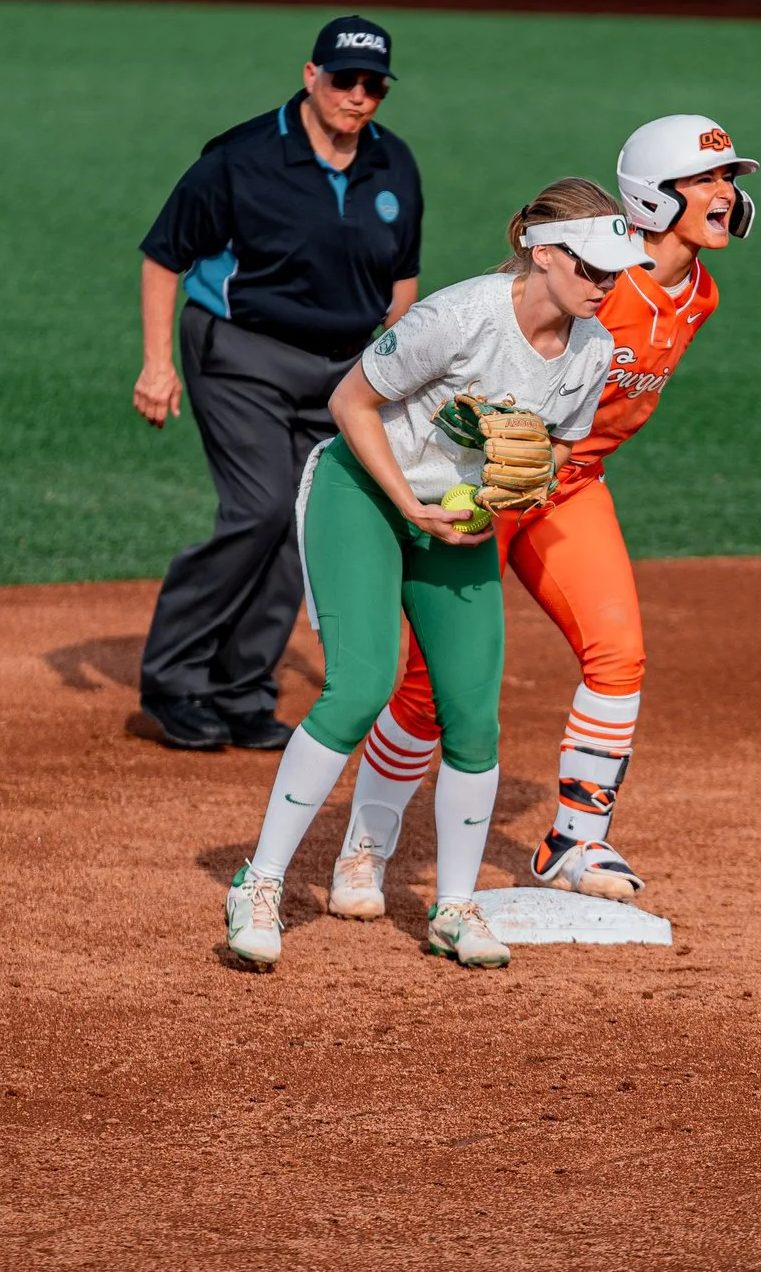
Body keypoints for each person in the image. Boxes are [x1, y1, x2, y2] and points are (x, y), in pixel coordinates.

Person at [321, 116, 760, 913]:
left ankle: (573, 840)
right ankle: (365, 845)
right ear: (653, 198)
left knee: (619, 651)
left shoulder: (700, 292)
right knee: (427, 686)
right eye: (708, 180)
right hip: (493, 485)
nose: (726, 194)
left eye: (730, 179)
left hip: (572, 487)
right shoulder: (596, 277)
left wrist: (558, 465)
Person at [221, 179, 651, 970]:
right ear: (543, 253)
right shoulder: (458, 317)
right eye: (592, 267)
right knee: (358, 688)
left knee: (472, 712)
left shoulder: (594, 350)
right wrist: (411, 509)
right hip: (364, 490)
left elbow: (560, 443)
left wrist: (530, 479)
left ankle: (452, 909)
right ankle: (259, 880)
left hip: (457, 518)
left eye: (615, 271)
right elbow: (350, 401)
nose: (606, 284)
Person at [132, 16, 421, 752]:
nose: (358, 97)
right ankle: (173, 680)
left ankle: (241, 689)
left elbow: (402, 283)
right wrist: (157, 364)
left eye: (373, 86)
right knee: (259, 508)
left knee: (303, 525)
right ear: (310, 75)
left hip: (341, 373)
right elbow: (165, 256)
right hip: (241, 354)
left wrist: (390, 376)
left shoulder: (394, 166)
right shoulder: (240, 159)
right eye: (344, 80)